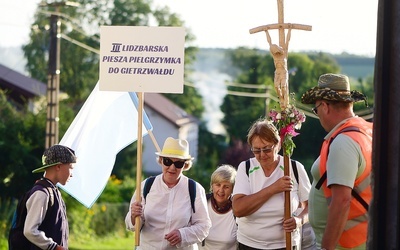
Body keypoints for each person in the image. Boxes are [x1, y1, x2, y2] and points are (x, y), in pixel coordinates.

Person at [301, 73, 372, 250]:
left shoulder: (343, 142)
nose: (318, 116)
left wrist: (326, 247)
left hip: (345, 244)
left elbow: (341, 201)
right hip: (363, 238)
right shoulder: (365, 132)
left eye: (316, 109)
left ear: (324, 106)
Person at [232, 119, 311, 250]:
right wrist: (273, 188)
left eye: (267, 149)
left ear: (278, 145)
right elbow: (238, 209)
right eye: (256, 150)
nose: (262, 155)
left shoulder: (294, 168)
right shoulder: (246, 168)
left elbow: (311, 206)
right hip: (249, 244)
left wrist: (299, 221)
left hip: (286, 244)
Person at [125, 137, 211, 249]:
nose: (172, 167)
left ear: (185, 165)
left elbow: (204, 226)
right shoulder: (146, 186)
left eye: (178, 163)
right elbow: (132, 226)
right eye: (167, 161)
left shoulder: (194, 189)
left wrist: (182, 234)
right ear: (161, 160)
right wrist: (133, 216)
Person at [26, 144, 76, 250]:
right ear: (58, 166)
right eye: (71, 168)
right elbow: (29, 230)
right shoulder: (41, 193)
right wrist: (53, 247)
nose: (72, 174)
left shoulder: (53, 191)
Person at [199, 164, 238, 250]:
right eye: (218, 185)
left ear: (233, 189)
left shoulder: (238, 209)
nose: (221, 190)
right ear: (212, 185)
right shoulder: (201, 204)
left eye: (226, 187)